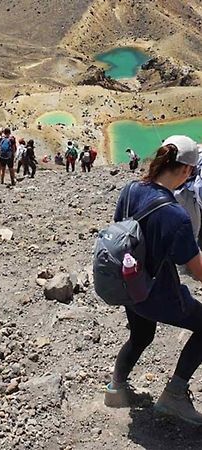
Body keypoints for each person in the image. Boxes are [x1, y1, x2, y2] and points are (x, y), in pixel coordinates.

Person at [105, 135, 202, 425]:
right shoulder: (176, 216)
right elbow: (197, 270)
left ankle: (116, 387)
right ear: (186, 171)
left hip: (127, 283)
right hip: (155, 293)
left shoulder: (131, 188)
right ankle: (173, 396)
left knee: (141, 334)